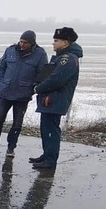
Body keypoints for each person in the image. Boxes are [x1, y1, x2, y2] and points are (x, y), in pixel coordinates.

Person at [0, 30, 48, 157]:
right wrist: (0, 84)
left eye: (25, 43)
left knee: (17, 124)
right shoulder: (10, 50)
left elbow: (42, 74)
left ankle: (11, 148)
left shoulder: (40, 54)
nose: (22, 44)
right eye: (21, 41)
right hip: (5, 92)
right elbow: (0, 67)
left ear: (32, 43)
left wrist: (32, 88)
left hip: (22, 95)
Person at [30, 27, 83, 169]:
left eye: (56, 40)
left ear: (65, 43)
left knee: (50, 130)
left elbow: (56, 79)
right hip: (52, 100)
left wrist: (38, 88)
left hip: (55, 100)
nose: (53, 43)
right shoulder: (64, 57)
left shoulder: (68, 58)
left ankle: (50, 160)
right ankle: (47, 155)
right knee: (46, 129)